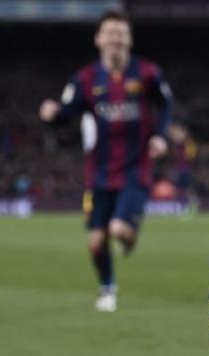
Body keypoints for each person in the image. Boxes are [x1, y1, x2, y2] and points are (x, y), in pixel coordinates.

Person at [39, 9, 173, 312]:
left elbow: (165, 106)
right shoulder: (85, 79)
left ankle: (129, 234)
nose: (115, 38)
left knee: (118, 231)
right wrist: (53, 114)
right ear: (99, 39)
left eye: (121, 33)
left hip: (135, 170)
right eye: (110, 33)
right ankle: (107, 288)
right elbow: (67, 112)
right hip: (98, 174)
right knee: (96, 242)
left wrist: (161, 136)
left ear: (129, 39)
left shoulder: (148, 73)